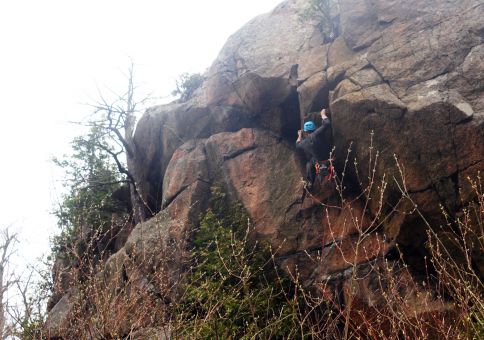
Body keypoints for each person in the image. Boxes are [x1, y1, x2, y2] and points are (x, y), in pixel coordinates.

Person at [296, 108, 333, 190]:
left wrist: (299, 135)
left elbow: (297, 144)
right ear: (315, 128)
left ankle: (310, 184)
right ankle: (325, 168)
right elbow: (327, 123)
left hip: (319, 160)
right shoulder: (318, 133)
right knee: (313, 160)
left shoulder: (304, 142)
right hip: (329, 155)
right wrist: (323, 114)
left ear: (305, 131)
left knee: (309, 164)